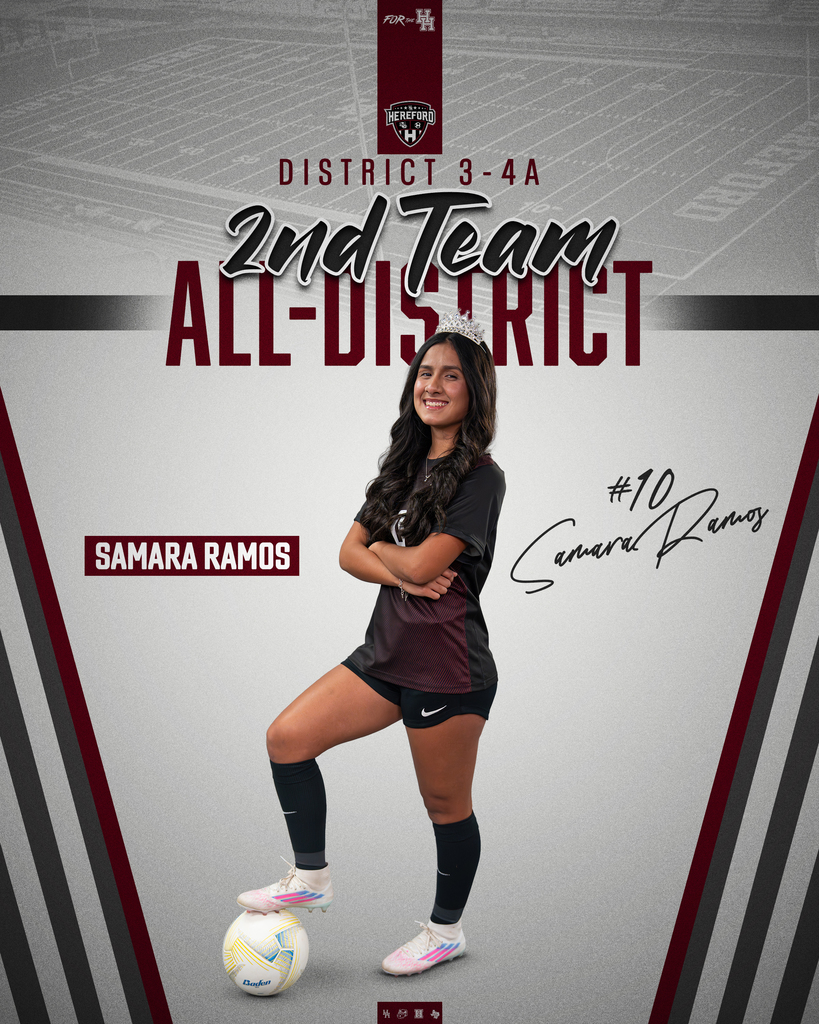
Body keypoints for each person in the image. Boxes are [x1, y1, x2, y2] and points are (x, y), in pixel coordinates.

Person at [237, 311, 505, 976]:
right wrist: (398, 564)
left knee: (444, 806)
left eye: (450, 375)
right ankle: (311, 878)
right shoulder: (402, 466)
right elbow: (347, 554)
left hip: (447, 668)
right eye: (424, 373)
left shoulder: (481, 477)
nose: (432, 385)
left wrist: (387, 555)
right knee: (286, 738)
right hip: (384, 655)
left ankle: (445, 932)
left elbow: (415, 563)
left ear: (474, 390)